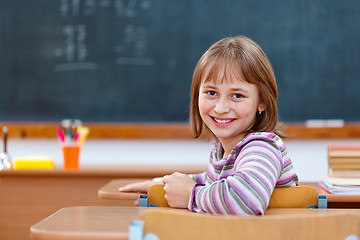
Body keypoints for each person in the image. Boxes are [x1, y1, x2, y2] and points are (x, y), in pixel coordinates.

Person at [119, 35, 298, 215]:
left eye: (237, 95)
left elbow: (245, 200)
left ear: (262, 102)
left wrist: (191, 194)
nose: (220, 108)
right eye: (211, 92)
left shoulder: (262, 148)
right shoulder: (223, 148)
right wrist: (162, 185)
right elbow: (214, 181)